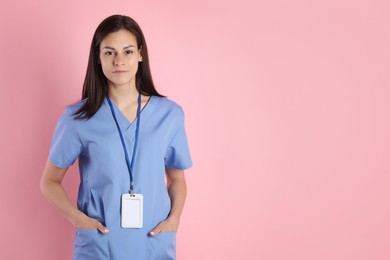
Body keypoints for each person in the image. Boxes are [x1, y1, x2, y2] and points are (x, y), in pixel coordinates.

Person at [40, 14, 192, 260]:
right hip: (100, 245)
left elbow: (177, 179)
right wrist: (79, 220)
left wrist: (174, 221)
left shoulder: (170, 115)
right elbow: (49, 182)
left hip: (153, 244)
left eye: (128, 51)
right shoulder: (78, 119)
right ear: (98, 58)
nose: (119, 60)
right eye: (109, 52)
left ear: (140, 54)